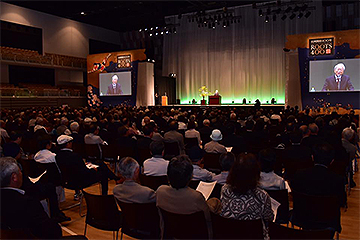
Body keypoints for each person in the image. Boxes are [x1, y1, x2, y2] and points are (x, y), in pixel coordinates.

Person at [0, 157, 62, 239]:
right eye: (20, 171)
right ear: (14, 177)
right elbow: (52, 232)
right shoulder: (28, 203)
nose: (21, 174)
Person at [156, 155, 214, 238]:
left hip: (172, 233)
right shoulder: (196, 197)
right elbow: (208, 218)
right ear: (190, 176)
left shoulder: (160, 191)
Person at [291, 143, 346, 231]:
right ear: (332, 161)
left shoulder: (299, 174)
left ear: (312, 157)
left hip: (303, 218)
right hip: (328, 221)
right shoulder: (337, 179)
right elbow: (342, 201)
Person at [220, 153, 274, 239]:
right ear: (256, 173)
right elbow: (269, 219)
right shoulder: (262, 195)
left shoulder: (224, 190)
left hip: (229, 235)